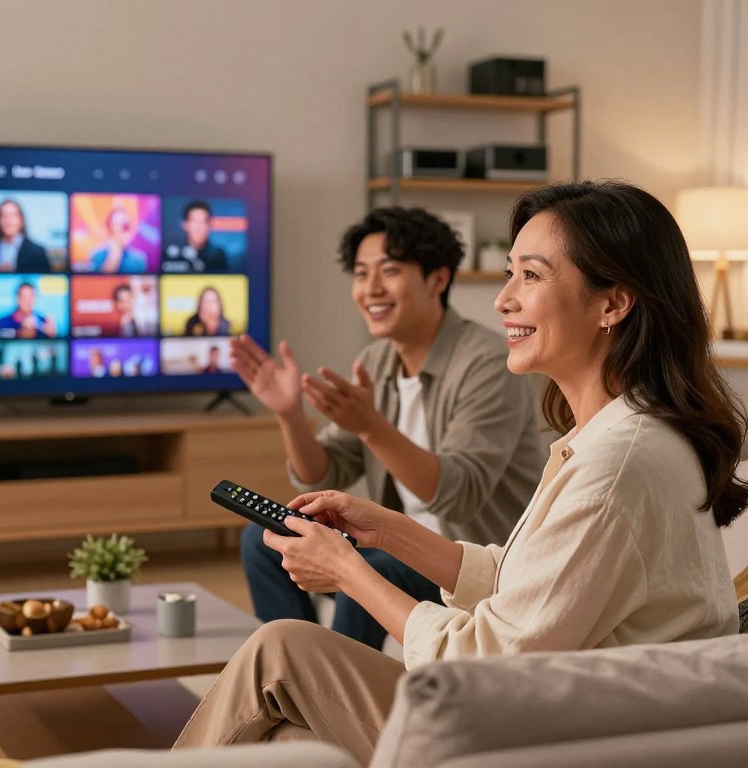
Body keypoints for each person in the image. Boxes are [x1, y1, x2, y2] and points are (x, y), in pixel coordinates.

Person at [174, 180, 746, 764]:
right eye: (509, 273)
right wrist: (385, 528)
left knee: (281, 651)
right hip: (566, 710)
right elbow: (523, 580)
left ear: (612, 303)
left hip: (541, 734)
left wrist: (346, 569)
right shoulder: (618, 436)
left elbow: (485, 657)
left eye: (532, 275)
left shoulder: (616, 463)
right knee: (288, 741)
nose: (503, 299)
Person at [232, 207, 544, 649]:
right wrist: (289, 415)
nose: (370, 289)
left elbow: (458, 491)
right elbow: (324, 473)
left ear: (437, 279)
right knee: (261, 537)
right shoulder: (378, 362)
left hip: (465, 559)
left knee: (372, 565)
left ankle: (333, 686)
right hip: (390, 542)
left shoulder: (487, 362)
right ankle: (293, 661)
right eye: (361, 274)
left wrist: (373, 427)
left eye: (390, 270)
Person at [0, 199, 51, 273]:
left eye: (13, 215)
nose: (8, 221)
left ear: (21, 219)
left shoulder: (37, 252)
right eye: (4, 216)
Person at [163, 201, 229, 273]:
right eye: (195, 221)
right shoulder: (173, 254)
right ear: (185, 225)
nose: (199, 227)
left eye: (203, 222)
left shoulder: (218, 256)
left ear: (209, 225)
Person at [89, 207, 148, 273]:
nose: (123, 225)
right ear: (111, 226)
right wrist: (116, 250)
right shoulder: (97, 255)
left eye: (125, 223)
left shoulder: (139, 258)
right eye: (118, 222)